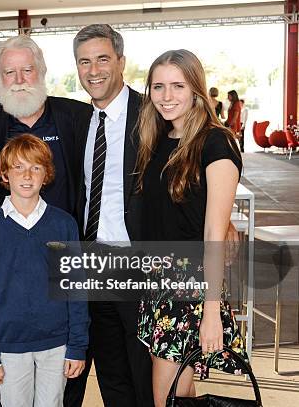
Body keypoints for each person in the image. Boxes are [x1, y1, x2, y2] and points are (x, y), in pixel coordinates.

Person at [134, 49, 247, 407]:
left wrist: (211, 312)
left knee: (164, 396)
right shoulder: (158, 140)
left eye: (177, 86)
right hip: (157, 281)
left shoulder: (216, 142)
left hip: (190, 287)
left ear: (196, 89)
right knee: (179, 395)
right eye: (158, 86)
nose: (167, 96)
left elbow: (214, 234)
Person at [64, 24, 154, 407]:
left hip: (140, 263)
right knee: (112, 376)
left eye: (103, 59)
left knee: (146, 375)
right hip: (94, 262)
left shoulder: (152, 115)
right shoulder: (78, 121)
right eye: (84, 62)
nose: (93, 70)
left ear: (121, 62)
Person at [0, 134, 89, 406]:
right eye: (18, 167)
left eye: (35, 167)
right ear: (5, 173)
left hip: (56, 344)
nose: (27, 175)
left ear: (46, 174)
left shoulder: (63, 225)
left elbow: (75, 290)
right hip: (10, 346)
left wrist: (77, 346)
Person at [0, 35, 92, 216]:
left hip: (69, 238)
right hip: (10, 241)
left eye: (27, 70)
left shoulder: (79, 117)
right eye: (9, 72)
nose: (19, 80)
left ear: (41, 72)